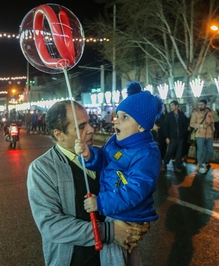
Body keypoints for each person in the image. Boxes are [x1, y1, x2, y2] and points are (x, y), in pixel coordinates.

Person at [27, 99, 149, 266]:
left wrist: (138, 222)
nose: (91, 129)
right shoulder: (43, 169)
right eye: (81, 126)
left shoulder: (105, 156)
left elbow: (135, 189)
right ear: (59, 134)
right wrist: (109, 232)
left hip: (115, 258)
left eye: (89, 122)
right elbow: (51, 226)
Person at [75, 81, 163, 266]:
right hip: (116, 210)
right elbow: (104, 161)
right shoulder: (116, 141)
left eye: (125, 117)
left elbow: (135, 190)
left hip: (126, 215)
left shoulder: (146, 153)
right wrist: (89, 155)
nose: (117, 121)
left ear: (141, 127)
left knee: (115, 258)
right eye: (118, 116)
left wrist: (100, 202)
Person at [163, 100, 190, 172]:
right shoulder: (169, 116)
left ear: (177, 106)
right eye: (170, 106)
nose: (171, 107)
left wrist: (184, 132)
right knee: (170, 151)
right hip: (172, 137)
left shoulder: (181, 115)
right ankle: (165, 163)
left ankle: (178, 165)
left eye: (172, 105)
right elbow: (166, 127)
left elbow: (186, 122)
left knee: (179, 152)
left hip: (180, 137)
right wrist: (167, 137)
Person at [190, 99, 215, 173]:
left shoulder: (209, 113)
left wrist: (212, 128)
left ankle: (205, 161)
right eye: (199, 105)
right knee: (200, 150)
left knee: (210, 150)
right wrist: (201, 126)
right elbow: (192, 124)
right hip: (199, 134)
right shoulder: (196, 113)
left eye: (202, 105)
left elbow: (213, 121)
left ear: (205, 105)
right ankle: (200, 165)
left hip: (208, 135)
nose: (200, 106)